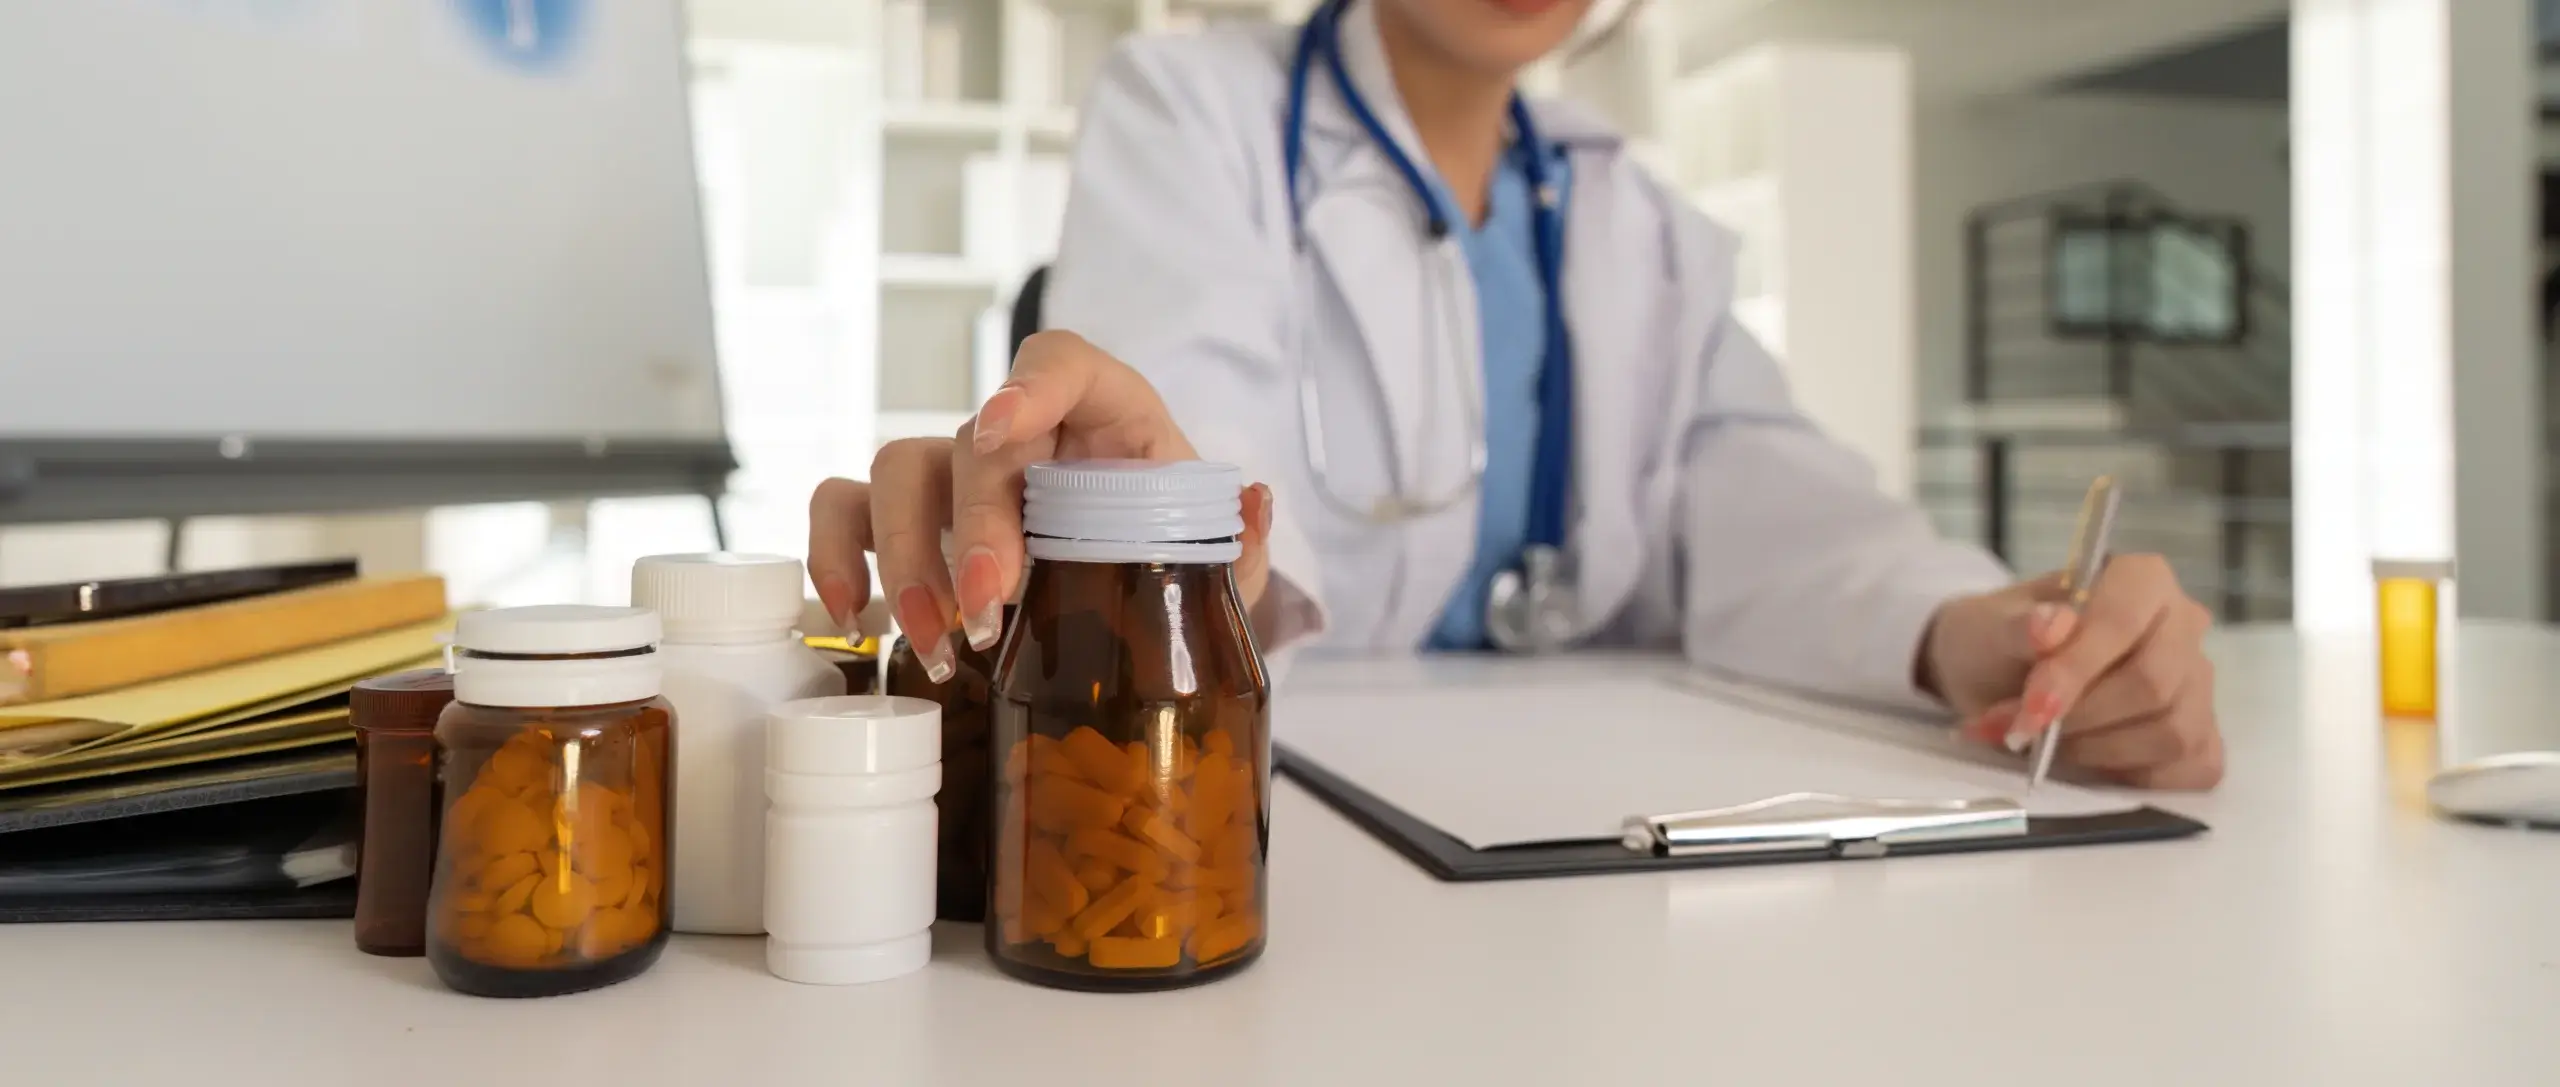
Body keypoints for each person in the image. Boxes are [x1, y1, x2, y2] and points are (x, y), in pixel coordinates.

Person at [810, 0, 2224, 789]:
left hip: (1599, 836)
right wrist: (1163, 520)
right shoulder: (1194, 113)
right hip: (1301, 819)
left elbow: (1774, 500)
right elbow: (1180, 448)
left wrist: (1979, 634)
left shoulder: (1640, 221)